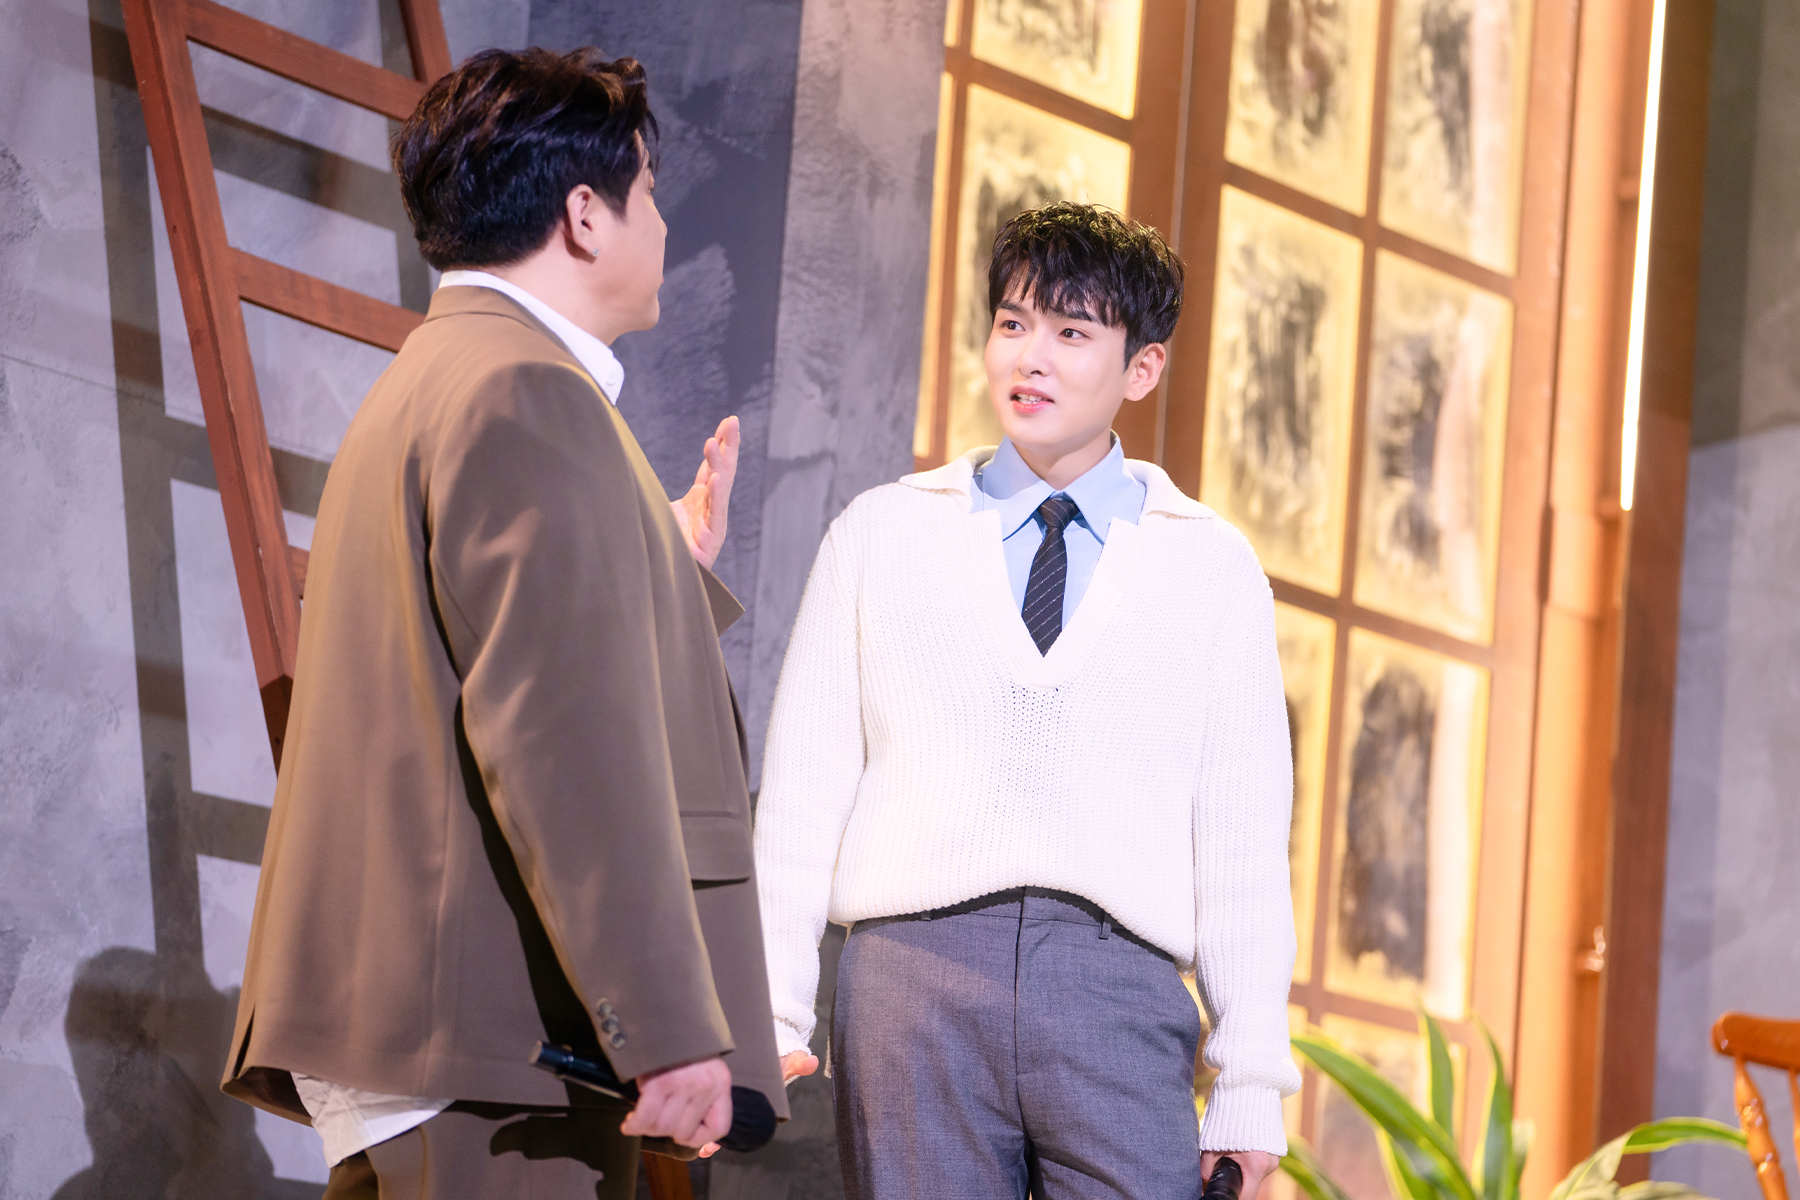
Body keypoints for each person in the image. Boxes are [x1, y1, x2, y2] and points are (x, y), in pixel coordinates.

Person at [219, 48, 785, 1199]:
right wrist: (666, 1027)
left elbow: (484, 660)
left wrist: (657, 566)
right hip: (493, 1049)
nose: (663, 223)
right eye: (649, 191)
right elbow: (561, 738)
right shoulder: (528, 392)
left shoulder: (440, 375)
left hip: (428, 1035)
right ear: (584, 215)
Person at [754, 201, 1300, 1200]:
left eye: (1071, 332)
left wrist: (1251, 1081)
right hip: (912, 978)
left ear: (1143, 368)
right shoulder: (881, 534)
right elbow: (802, 795)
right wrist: (773, 1008)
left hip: (1118, 985)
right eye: (1013, 323)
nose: (1030, 357)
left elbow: (1243, 847)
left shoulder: (1213, 570)